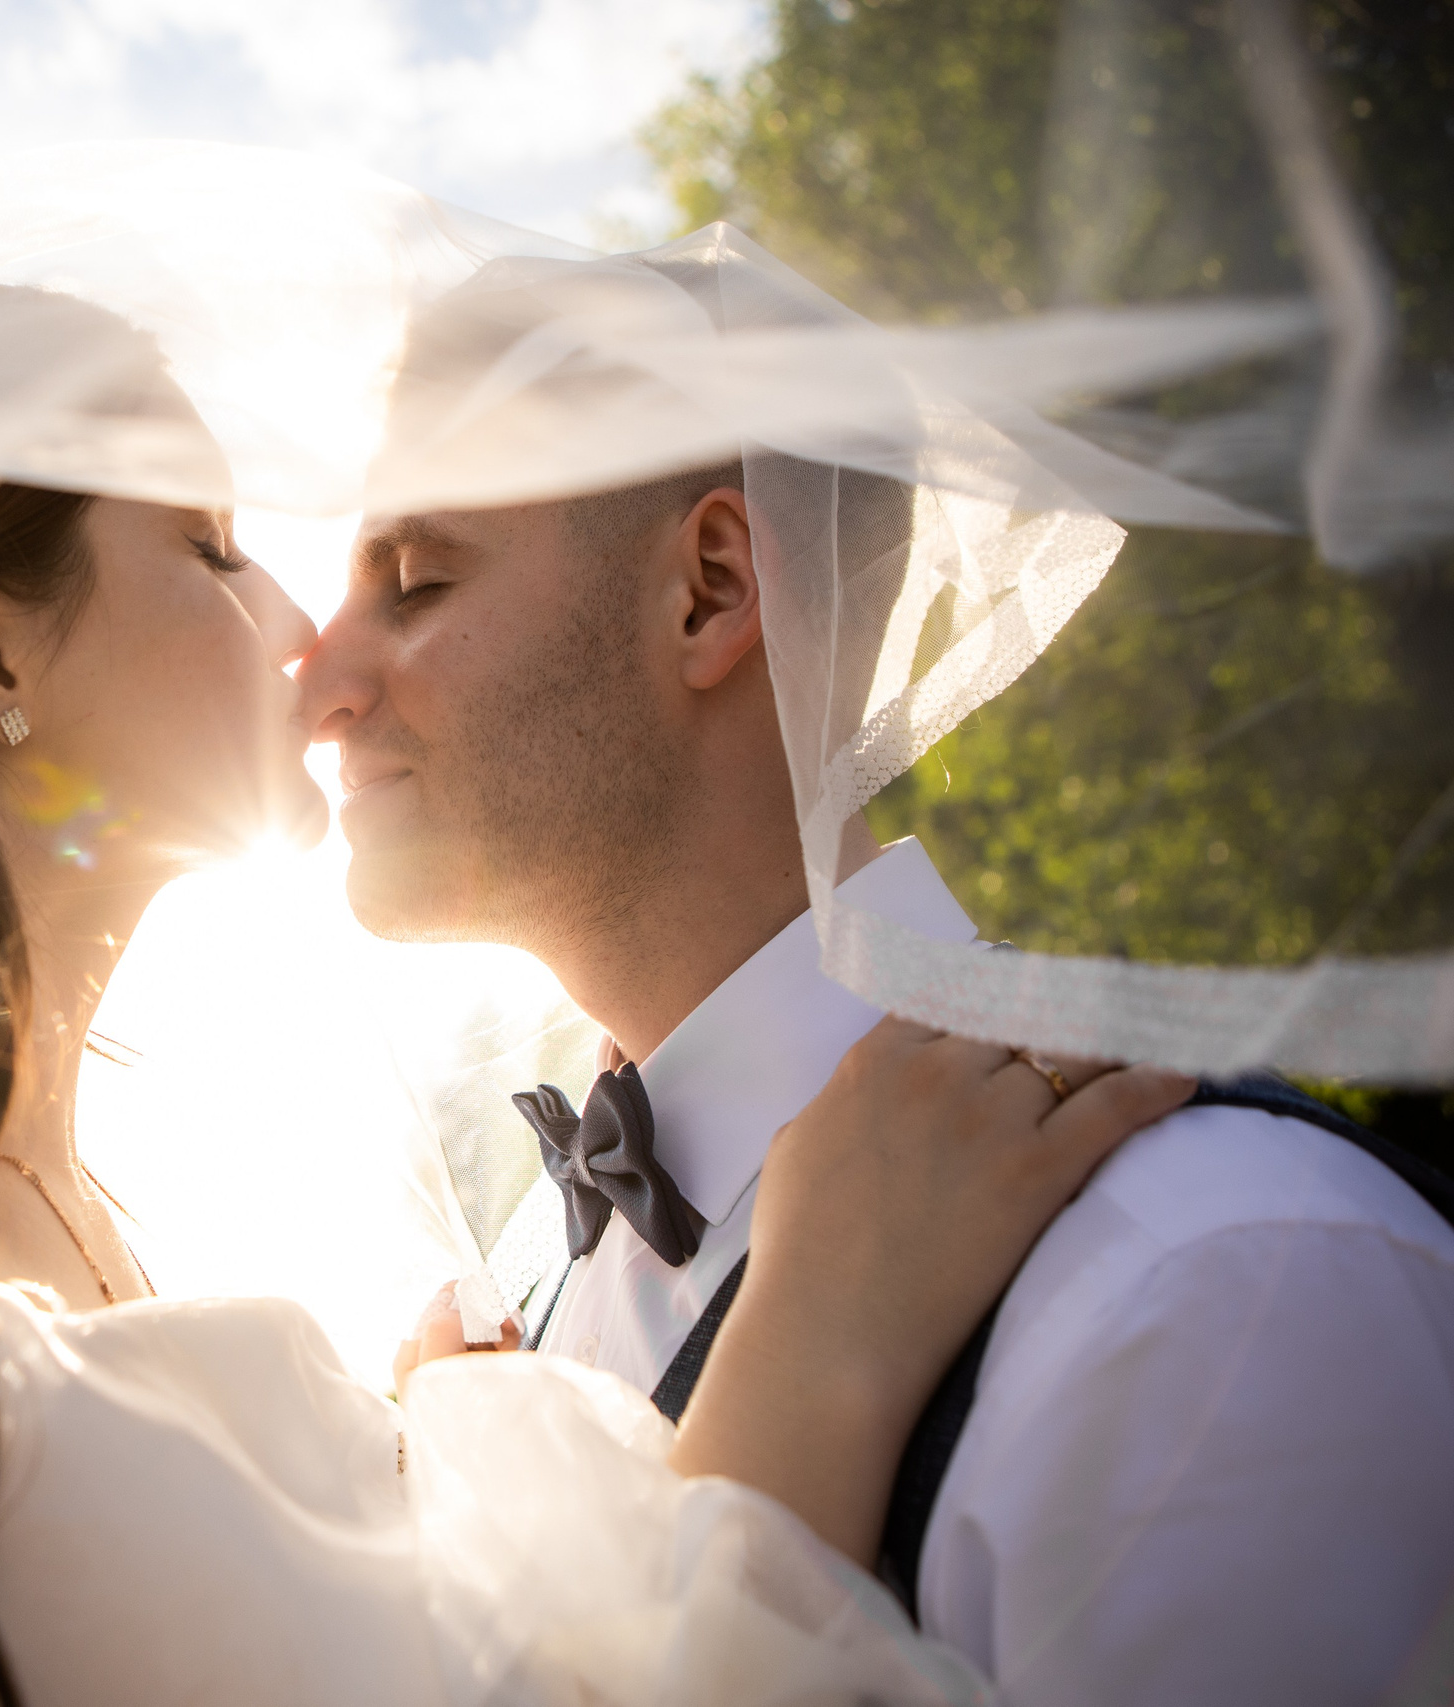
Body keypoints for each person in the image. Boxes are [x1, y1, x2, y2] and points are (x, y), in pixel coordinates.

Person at [0, 288, 1209, 1707]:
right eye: (207, 544)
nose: (305, 642)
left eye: (407, 580)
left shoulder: (108, 1229)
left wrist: (438, 1505)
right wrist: (811, 1353)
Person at [299, 266, 1454, 1705]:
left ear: (711, 592)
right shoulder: (501, 1329)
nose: (313, 686)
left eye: (415, 581)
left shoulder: (1218, 1279)